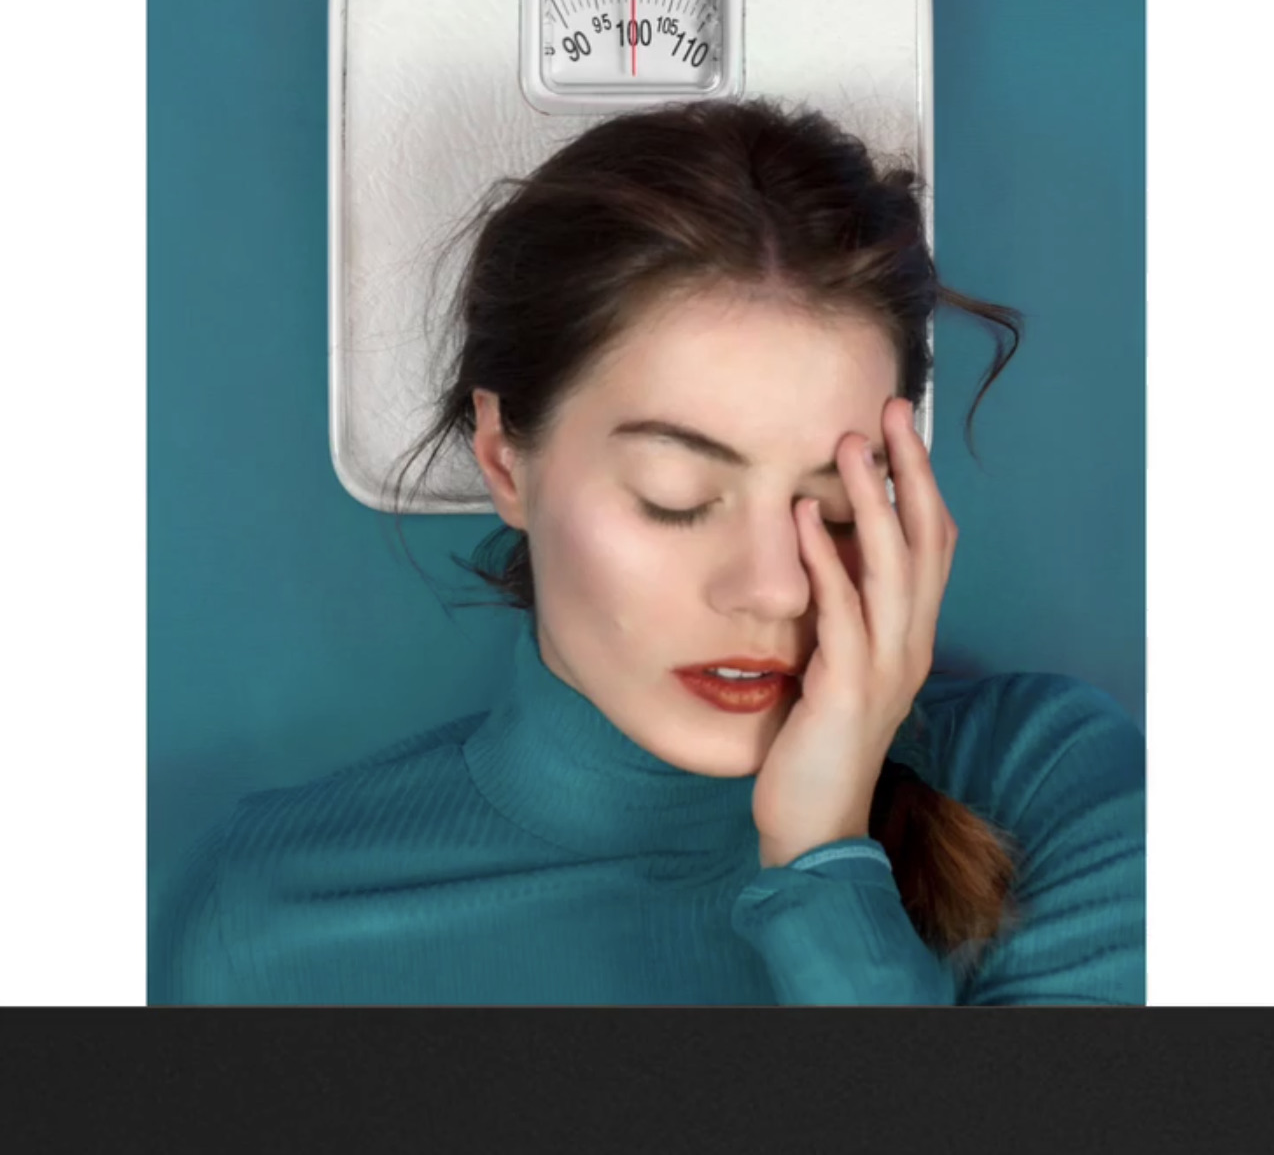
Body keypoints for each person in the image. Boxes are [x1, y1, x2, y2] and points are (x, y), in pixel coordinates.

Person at [154, 96, 1144, 1006]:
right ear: (504, 456)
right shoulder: (270, 920)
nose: (769, 590)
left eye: (833, 508)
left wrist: (822, 863)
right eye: (676, 499)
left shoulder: (1045, 788)